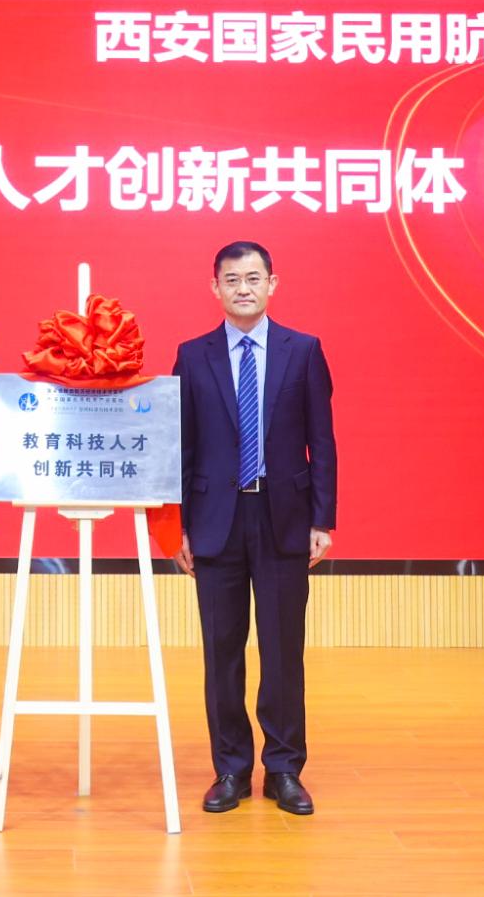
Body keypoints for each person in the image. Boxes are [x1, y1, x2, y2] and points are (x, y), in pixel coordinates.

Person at [171, 240, 337, 816]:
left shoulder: (303, 351)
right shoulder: (192, 356)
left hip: (283, 517)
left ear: (272, 284)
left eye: (253, 278)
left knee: (283, 649)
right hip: (215, 520)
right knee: (222, 651)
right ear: (214, 287)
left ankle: (284, 769)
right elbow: (181, 448)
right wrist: (179, 527)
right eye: (231, 279)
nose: (243, 288)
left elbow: (323, 441)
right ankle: (231, 769)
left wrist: (323, 518)